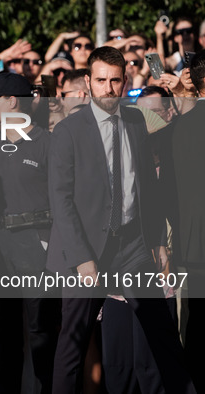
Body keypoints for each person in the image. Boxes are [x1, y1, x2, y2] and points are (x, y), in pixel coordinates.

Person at [47, 46, 195, 394]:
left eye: (115, 81)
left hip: (132, 247)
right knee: (73, 343)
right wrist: (82, 257)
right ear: (88, 82)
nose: (109, 88)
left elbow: (149, 188)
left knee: (163, 336)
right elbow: (61, 200)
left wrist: (158, 239)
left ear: (124, 81)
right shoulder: (68, 131)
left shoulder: (135, 122)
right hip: (85, 250)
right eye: (101, 81)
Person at [0, 72, 60, 394]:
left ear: (11, 102)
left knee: (42, 335)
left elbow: (64, 202)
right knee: (5, 334)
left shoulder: (48, 143)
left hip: (37, 246)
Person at [159, 49, 205, 392]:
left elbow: (168, 198)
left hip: (192, 248)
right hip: (194, 250)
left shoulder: (174, 133)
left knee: (196, 337)